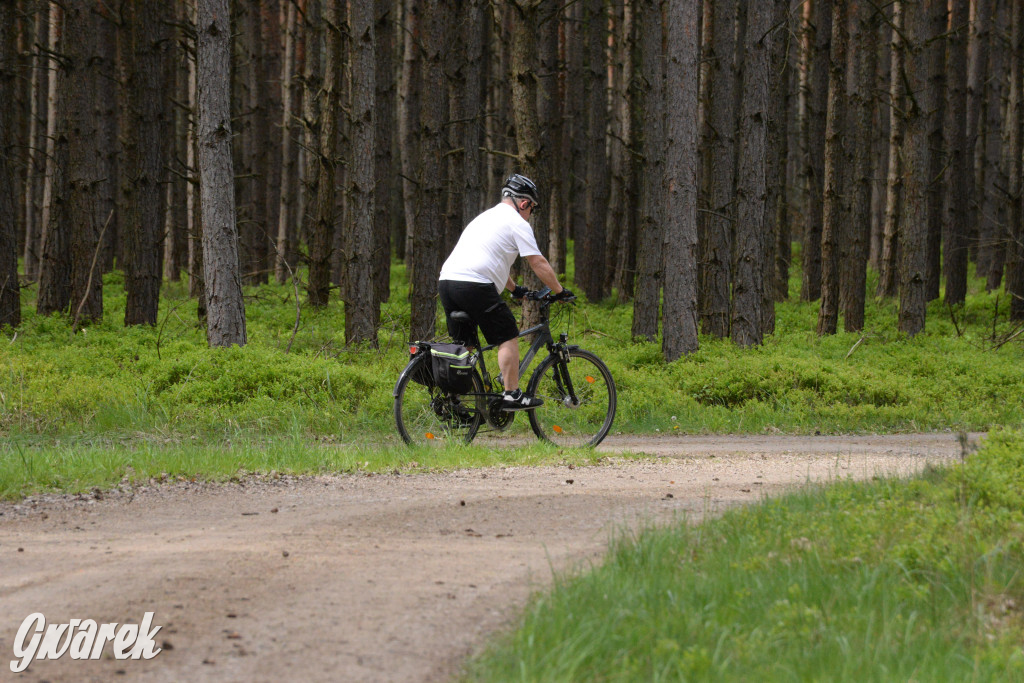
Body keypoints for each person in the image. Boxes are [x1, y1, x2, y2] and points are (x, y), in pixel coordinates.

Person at [438, 174, 573, 411]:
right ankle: (512, 395)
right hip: (474, 284)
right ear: (524, 204)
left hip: (448, 282)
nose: (531, 213)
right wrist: (559, 291)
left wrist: (515, 289)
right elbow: (538, 262)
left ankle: (453, 401)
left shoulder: (484, 218)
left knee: (465, 346)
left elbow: (490, 261)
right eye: (532, 208)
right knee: (508, 334)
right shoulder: (517, 223)